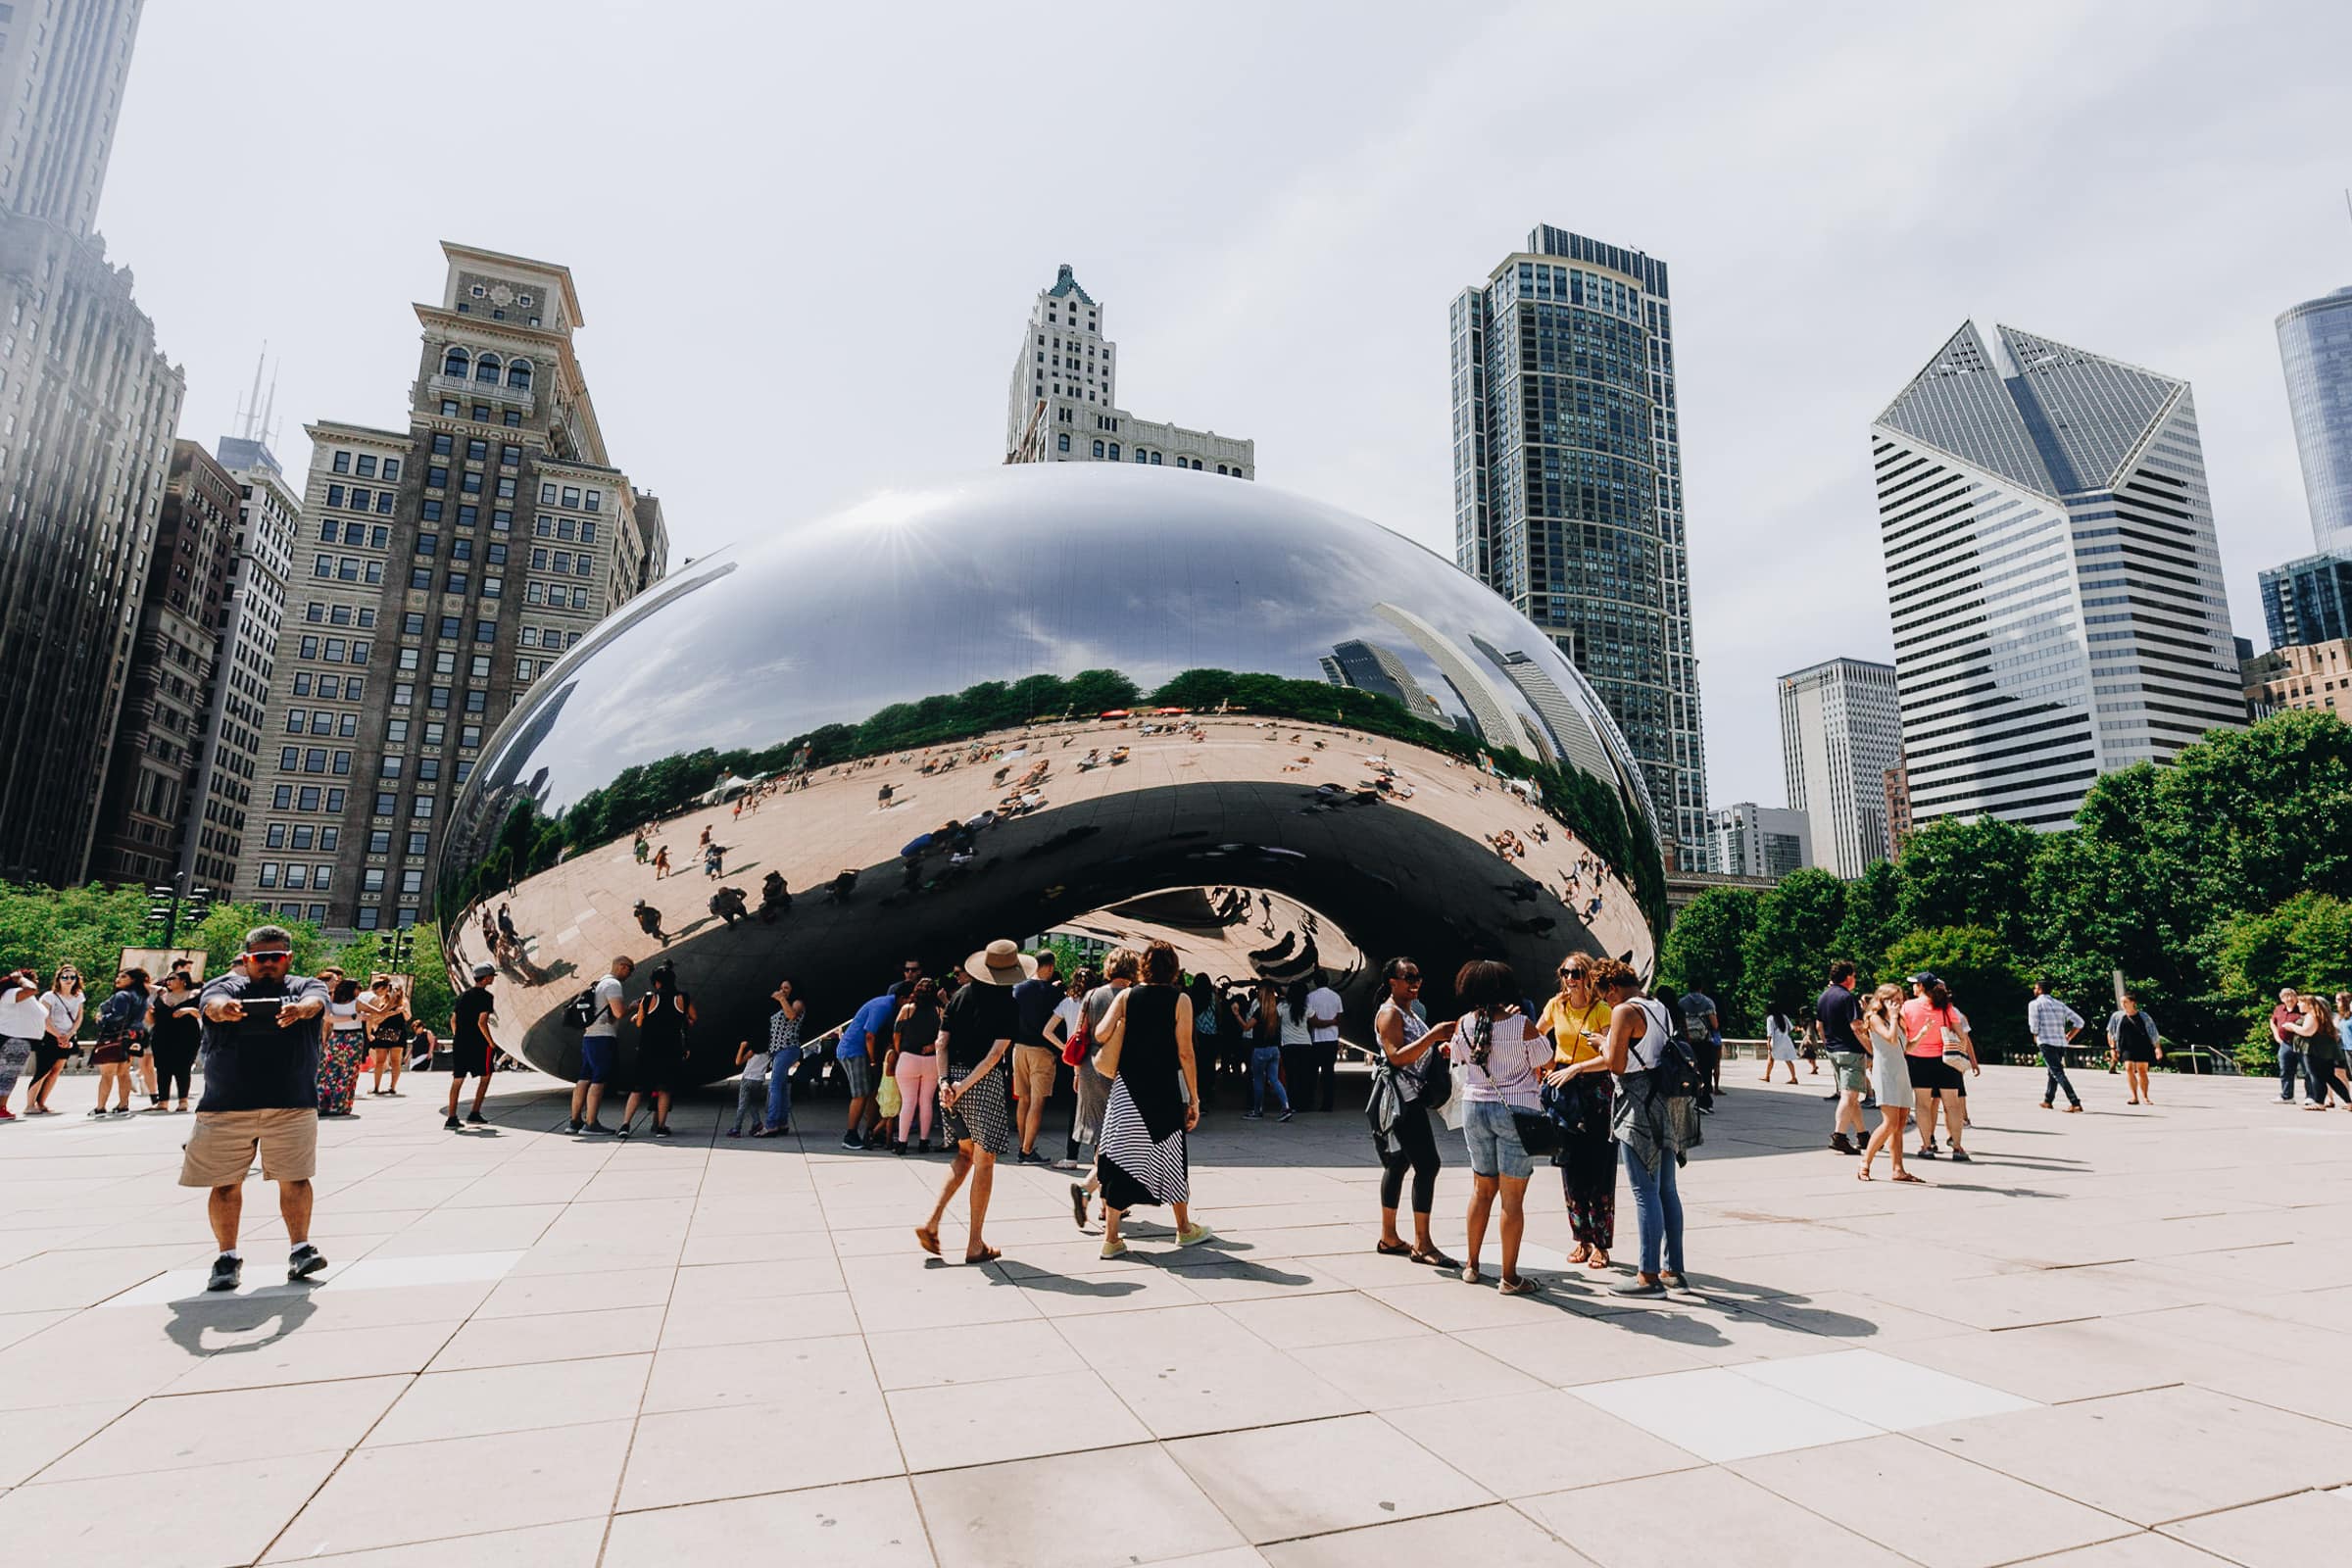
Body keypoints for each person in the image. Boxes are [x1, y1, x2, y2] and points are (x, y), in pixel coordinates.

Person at [184, 926, 331, 1292]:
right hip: (226, 1104)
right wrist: (223, 1011)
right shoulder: (225, 987)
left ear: (289, 958)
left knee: (295, 1178)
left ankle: (300, 1249)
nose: (268, 964)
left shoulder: (305, 987)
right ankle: (227, 1256)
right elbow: (212, 1005)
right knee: (224, 1184)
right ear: (247, 959)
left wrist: (301, 1011)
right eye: (259, 958)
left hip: (291, 1101)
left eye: (276, 957)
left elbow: (317, 1002)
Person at [1091, 940, 1213, 1258]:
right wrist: (1194, 1098)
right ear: (1173, 968)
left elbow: (1100, 1033)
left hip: (1126, 1090)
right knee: (1172, 1156)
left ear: (1143, 966)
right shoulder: (1180, 999)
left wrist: (1122, 1020)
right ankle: (1184, 1229)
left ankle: (1112, 1238)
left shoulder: (1128, 995)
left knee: (1119, 1158)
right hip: (1162, 1091)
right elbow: (1185, 1051)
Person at [917, 940, 1026, 1263]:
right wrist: (963, 1086)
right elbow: (994, 1057)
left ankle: (933, 1221)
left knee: (965, 1156)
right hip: (981, 1085)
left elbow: (941, 1042)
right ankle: (975, 1243)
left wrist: (944, 1083)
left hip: (949, 1084)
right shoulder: (1009, 1003)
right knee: (985, 1160)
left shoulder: (959, 995)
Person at [1446, 958, 1546, 1295]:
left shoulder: (1462, 1024)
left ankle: (1472, 1266)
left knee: (1481, 1188)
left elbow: (1458, 1059)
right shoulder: (1521, 1024)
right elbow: (1544, 1058)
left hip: (1475, 1108)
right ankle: (1509, 1276)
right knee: (1512, 1199)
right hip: (1515, 1109)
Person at [1595, 958, 1694, 1295]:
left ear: (1611, 988)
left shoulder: (1624, 1011)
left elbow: (1617, 1064)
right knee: (1667, 1189)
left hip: (1637, 1105)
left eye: (1605, 996)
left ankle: (1647, 1275)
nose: (1607, 1003)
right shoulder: (1659, 1007)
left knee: (1644, 1191)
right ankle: (1673, 1269)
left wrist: (1603, 1043)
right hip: (1666, 1102)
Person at [1371, 956, 1458, 1268]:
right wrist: (1433, 1036)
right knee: (1428, 1164)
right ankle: (1422, 1244)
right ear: (1392, 981)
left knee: (1398, 1163)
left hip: (1411, 1097)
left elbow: (1415, 1050)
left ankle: (1389, 1237)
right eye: (1409, 976)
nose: (1416, 981)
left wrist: (1436, 1048)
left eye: (1419, 976)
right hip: (1403, 1100)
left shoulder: (1408, 1011)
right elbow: (1395, 1057)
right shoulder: (1390, 1013)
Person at [1538, 953, 1617, 1270]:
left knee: (1599, 1168)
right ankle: (1581, 1239)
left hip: (1596, 1089)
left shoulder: (1602, 1010)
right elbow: (1535, 1034)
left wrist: (1578, 1068)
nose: (1570, 978)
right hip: (1565, 1089)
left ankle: (1601, 1244)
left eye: (1576, 972)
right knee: (1570, 1167)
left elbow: (1611, 1056)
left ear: (1587, 977)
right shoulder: (1556, 1006)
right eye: (1565, 972)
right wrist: (1546, 1064)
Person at [1068, 949, 1138, 1201]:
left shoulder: (1092, 995)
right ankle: (1104, 1200)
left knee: (1101, 1134)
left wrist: (1077, 1071)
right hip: (1121, 1068)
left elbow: (1080, 1035)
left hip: (1090, 1067)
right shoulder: (1133, 997)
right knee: (1119, 1135)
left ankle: (1096, 1194)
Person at [1902, 973, 1979, 1159]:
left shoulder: (1908, 1006)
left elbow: (1904, 1034)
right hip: (1947, 1060)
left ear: (1920, 986)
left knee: (1923, 1105)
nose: (1913, 988)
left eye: (1914, 984)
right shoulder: (1946, 1007)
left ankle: (1927, 1146)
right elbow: (1961, 1034)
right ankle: (1958, 1147)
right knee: (1952, 1105)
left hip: (1918, 1059)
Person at [1855, 984, 1920, 1183]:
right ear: (1882, 999)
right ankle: (1865, 1162)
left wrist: (1921, 1035)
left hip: (1900, 1071)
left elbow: (1904, 1047)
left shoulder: (1897, 1020)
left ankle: (1898, 1169)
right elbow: (1890, 1039)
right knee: (1889, 1123)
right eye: (1894, 999)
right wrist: (1893, 1017)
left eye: (1900, 999)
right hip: (1886, 1073)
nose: (1898, 1003)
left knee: (1900, 1124)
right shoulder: (1875, 1018)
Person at [621, 961, 694, 1137]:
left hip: (648, 1049)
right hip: (671, 1049)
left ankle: (625, 1125)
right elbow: (692, 1018)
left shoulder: (648, 998)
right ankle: (661, 1127)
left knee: (637, 1089)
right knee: (664, 1089)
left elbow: (640, 1023)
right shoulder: (682, 998)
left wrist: (639, 1015)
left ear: (656, 982)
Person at [827, 987, 899, 1150]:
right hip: (854, 1051)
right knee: (861, 1094)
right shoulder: (883, 1007)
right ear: (902, 998)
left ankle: (871, 1132)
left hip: (860, 1052)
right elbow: (869, 1035)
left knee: (872, 1092)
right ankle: (850, 1135)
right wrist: (873, 1061)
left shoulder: (886, 1005)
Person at [568, 956, 632, 1135]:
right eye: (630, 969)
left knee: (583, 1079)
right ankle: (591, 1123)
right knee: (599, 1080)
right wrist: (633, 1007)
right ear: (621, 966)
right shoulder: (613, 985)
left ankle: (574, 1121)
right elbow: (618, 1012)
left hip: (589, 1036)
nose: (629, 974)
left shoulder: (598, 983)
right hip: (603, 1037)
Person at [1009, 950, 1062, 1163]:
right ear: (1049, 967)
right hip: (1042, 1050)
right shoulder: (1052, 992)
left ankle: (1025, 1145)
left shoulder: (1016, 989)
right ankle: (1028, 1150)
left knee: (1023, 1099)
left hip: (1019, 1048)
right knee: (1037, 1102)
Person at [1817, 961, 1868, 1154]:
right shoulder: (1847, 998)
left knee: (1851, 1095)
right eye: (1854, 976)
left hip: (1833, 1051)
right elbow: (1856, 1026)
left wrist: (1828, 1045)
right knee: (1849, 1095)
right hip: (1850, 1051)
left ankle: (1863, 1135)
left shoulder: (1823, 996)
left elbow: (1819, 1025)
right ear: (1848, 977)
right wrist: (1870, 1049)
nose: (1855, 979)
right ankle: (1839, 1136)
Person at [888, 976, 945, 1152]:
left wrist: (900, 1052)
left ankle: (902, 1143)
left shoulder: (907, 1009)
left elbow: (896, 1034)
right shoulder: (938, 1010)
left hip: (908, 1058)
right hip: (931, 1060)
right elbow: (944, 1036)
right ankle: (923, 1142)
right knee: (926, 1101)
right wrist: (932, 1046)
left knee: (908, 1101)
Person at [444, 963, 499, 1129]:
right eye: (491, 976)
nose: (492, 979)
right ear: (486, 977)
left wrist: (458, 1036)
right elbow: (482, 1022)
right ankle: (475, 1112)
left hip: (461, 1042)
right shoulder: (486, 997)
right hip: (479, 1044)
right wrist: (490, 1042)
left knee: (458, 1079)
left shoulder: (462, 996)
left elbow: (453, 1020)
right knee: (486, 1076)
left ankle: (452, 1117)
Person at [90, 967, 151, 1116]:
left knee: (107, 1074)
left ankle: (100, 1107)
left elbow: (118, 1016)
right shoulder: (141, 997)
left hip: (114, 1036)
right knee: (124, 1073)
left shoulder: (122, 995)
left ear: (133, 980)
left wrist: (101, 1019)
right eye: (118, 976)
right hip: (132, 1037)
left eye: (123, 976)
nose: (118, 979)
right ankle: (123, 1105)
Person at [25, 964, 85, 1115]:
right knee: (43, 1070)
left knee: (56, 1070)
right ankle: (29, 1104)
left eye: (72, 977)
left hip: (68, 1036)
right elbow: (44, 1018)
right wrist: (58, 1034)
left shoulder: (78, 996)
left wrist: (70, 1034)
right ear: (58, 979)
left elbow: (79, 1017)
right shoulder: (49, 997)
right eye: (65, 977)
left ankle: (42, 1102)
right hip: (50, 1036)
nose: (68, 980)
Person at [754, 978, 808, 1137]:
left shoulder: (797, 1003)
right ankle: (782, 1123)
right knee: (782, 1087)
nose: (783, 990)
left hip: (787, 1049)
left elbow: (791, 1015)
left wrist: (782, 999)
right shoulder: (780, 1006)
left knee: (775, 1086)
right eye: (781, 988)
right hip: (778, 1050)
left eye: (786, 988)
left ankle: (771, 1125)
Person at [147, 971, 204, 1112]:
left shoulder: (195, 995)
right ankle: (163, 1101)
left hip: (187, 1036)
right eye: (167, 979)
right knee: (162, 1068)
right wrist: (147, 1012)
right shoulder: (161, 996)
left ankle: (183, 1101)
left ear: (184, 980)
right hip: (161, 1036)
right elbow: (152, 1021)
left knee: (183, 1068)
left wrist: (189, 1010)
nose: (168, 981)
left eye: (172, 979)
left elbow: (203, 1014)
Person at [2027, 979, 2086, 1112]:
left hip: (2046, 1041)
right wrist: (2069, 1036)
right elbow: (2079, 1022)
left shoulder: (2034, 1004)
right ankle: (2048, 1100)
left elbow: (2034, 1025)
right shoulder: (2059, 1004)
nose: (2034, 990)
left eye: (2035, 988)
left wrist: (2035, 1035)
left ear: (2040, 990)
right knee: (2052, 1071)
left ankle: (2075, 1102)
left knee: (2057, 1072)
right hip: (2060, 1043)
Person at [0, 964, 48, 1119]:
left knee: (8, 1075)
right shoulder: (12, 993)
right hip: (13, 1039)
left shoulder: (25, 998)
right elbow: (31, 989)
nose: (37, 982)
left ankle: (2, 1106)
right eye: (34, 979)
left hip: (20, 1040)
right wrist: (20, 978)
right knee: (8, 1075)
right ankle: (0, 1108)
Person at [1241, 980, 1292, 1123]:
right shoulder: (1275, 1011)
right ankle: (1286, 1107)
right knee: (1274, 1079)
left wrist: (1237, 1015)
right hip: (1274, 1050)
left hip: (1260, 1050)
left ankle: (1258, 1110)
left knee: (1258, 1080)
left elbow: (1246, 1027)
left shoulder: (1259, 1012)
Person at [318, 976, 367, 1117]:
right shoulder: (330, 999)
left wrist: (325, 1041)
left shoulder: (330, 1000)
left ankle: (323, 1104)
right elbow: (328, 1020)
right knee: (347, 1072)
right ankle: (338, 1106)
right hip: (352, 1038)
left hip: (335, 1038)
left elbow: (327, 1024)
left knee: (329, 1072)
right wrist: (355, 1017)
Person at [2105, 991, 2163, 1106]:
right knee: (2129, 1068)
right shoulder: (2117, 1016)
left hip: (2142, 1046)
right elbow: (2110, 1032)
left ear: (2133, 1003)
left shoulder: (2144, 1016)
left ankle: (2145, 1096)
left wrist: (2157, 1048)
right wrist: (2112, 1048)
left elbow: (2153, 1033)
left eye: (2125, 1002)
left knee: (2142, 1071)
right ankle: (2134, 1096)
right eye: (2122, 1002)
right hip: (2126, 1047)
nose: (2123, 1004)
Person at [361, 975, 410, 1097]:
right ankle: (376, 1087)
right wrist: (390, 1012)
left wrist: (403, 1010)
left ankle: (392, 1087)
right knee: (380, 1060)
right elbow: (375, 1018)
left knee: (395, 1060)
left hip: (398, 1031)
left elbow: (408, 1017)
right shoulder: (382, 1000)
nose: (394, 992)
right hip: (383, 1031)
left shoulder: (404, 1001)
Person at [1303, 969, 1345, 1111]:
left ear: (1315, 982)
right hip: (1331, 1039)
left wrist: (1323, 1022)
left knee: (1312, 1074)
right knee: (1329, 1073)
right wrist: (1332, 1022)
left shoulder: (1310, 997)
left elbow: (1312, 1022)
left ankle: (1309, 1102)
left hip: (1316, 1040)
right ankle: (1328, 1104)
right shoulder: (1336, 997)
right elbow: (1339, 1018)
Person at [1676, 983, 1723, 1100]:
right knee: (1706, 1068)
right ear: (1701, 988)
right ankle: (1705, 1095)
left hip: (1688, 1041)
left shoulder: (1682, 1002)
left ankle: (1691, 1092)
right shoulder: (1708, 1002)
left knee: (1690, 1067)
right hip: (1704, 1040)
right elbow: (1715, 1024)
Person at [1278, 977, 1316, 1110]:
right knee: (1304, 1076)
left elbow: (1274, 1020)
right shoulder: (1307, 1007)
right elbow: (1315, 1022)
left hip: (1288, 1045)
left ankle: (1292, 1103)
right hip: (1305, 1044)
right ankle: (1305, 1104)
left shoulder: (1282, 1007)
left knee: (1291, 1076)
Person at [2272, 988, 2310, 1104]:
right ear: (2282, 999)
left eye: (2292, 995)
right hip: (2286, 1044)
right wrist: (2276, 1036)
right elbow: (2272, 1021)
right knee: (2285, 1070)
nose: (2289, 999)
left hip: (2302, 1043)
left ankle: (2311, 1096)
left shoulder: (2302, 1008)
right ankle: (2287, 1096)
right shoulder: (2279, 1009)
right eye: (2286, 996)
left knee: (2307, 1070)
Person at [1762, 1004, 1800, 1085]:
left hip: (1776, 1041)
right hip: (1786, 1040)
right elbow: (1791, 1028)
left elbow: (1770, 1032)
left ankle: (1767, 1076)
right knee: (1788, 1059)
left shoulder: (1770, 1018)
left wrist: (1768, 1042)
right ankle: (1794, 1078)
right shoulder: (1784, 1016)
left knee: (1771, 1058)